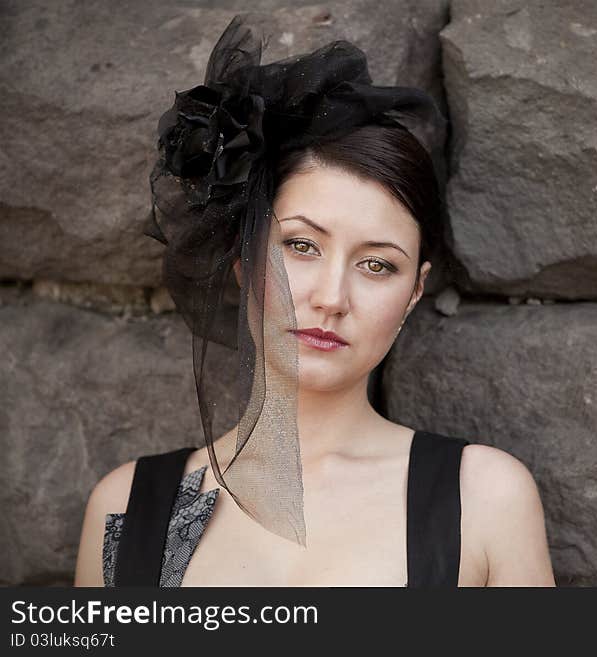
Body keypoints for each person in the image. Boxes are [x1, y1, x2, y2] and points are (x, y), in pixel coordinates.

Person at [72, 16, 555, 587]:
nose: (332, 297)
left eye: (377, 265)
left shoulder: (485, 498)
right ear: (243, 262)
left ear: (413, 294)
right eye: (300, 246)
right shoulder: (126, 507)